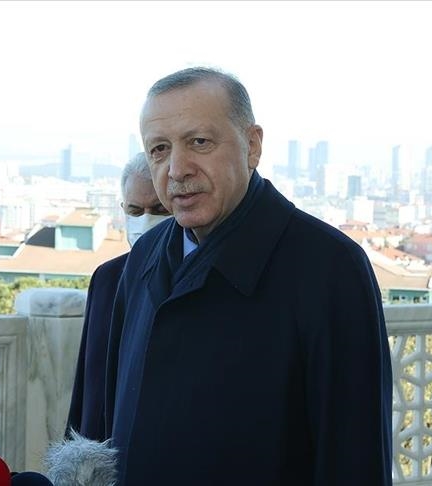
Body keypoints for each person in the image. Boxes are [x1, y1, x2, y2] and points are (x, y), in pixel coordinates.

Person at [103, 67, 393, 485]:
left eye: (199, 142)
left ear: (252, 146)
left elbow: (354, 456)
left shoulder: (330, 268)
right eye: (160, 149)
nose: (177, 169)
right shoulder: (144, 256)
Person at [66, 152, 171, 441]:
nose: (145, 220)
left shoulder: (192, 281)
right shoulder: (107, 278)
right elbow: (88, 380)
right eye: (135, 211)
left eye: (159, 210)